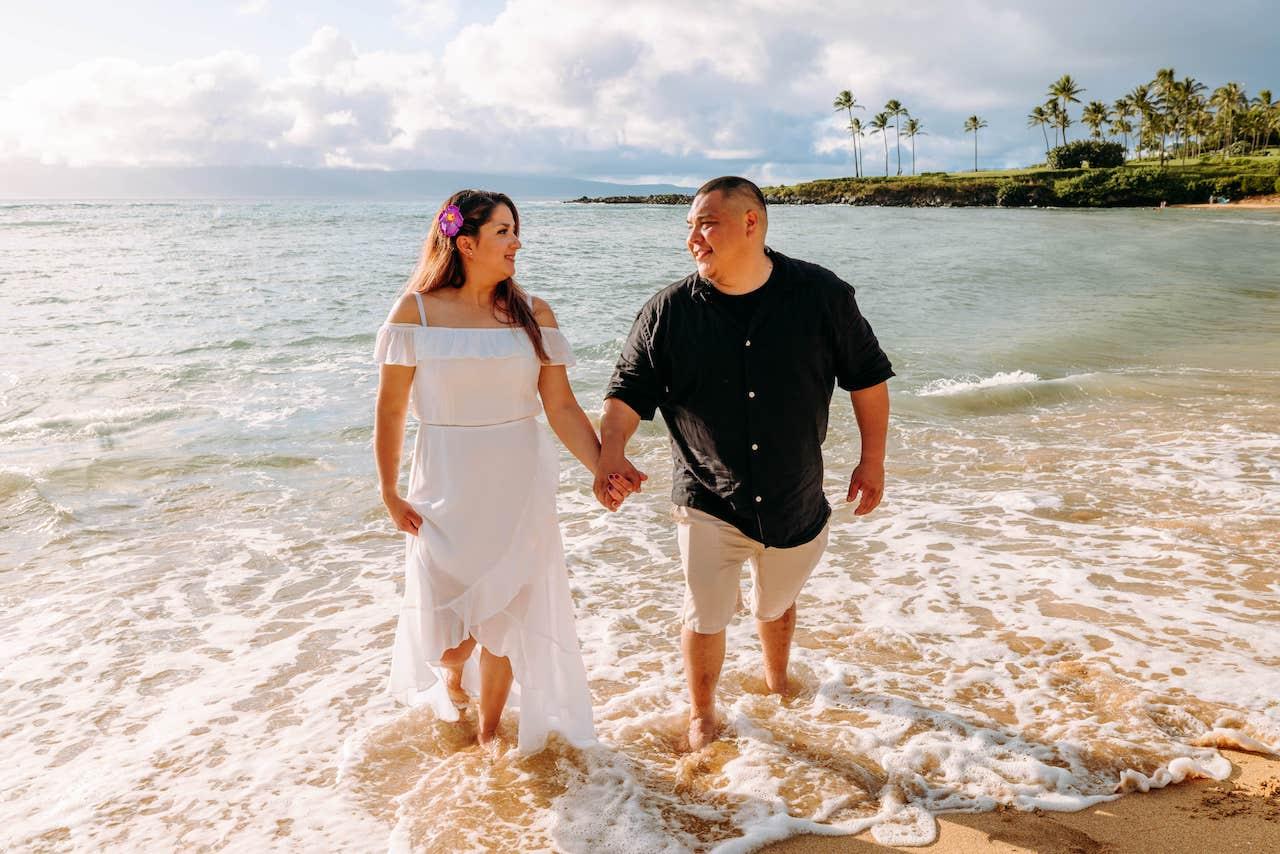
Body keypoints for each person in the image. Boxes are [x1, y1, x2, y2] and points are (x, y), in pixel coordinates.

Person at [597, 176, 893, 750]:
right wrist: (613, 452)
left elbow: (868, 380)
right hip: (707, 496)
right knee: (706, 613)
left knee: (776, 603)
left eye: (706, 223)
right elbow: (627, 392)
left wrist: (872, 461)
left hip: (796, 496)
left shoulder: (821, 295)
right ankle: (702, 714)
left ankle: (778, 682)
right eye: (690, 228)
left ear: (750, 223)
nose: (694, 240)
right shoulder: (668, 311)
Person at [373, 189, 628, 753]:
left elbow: (560, 406)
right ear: (466, 243)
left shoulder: (533, 313)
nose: (517, 242)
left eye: (516, 230)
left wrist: (601, 469)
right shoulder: (413, 312)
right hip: (443, 479)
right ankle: (451, 674)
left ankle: (490, 735)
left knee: (509, 614)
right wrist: (389, 491)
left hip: (519, 476)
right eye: (504, 232)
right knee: (449, 639)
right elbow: (391, 409)